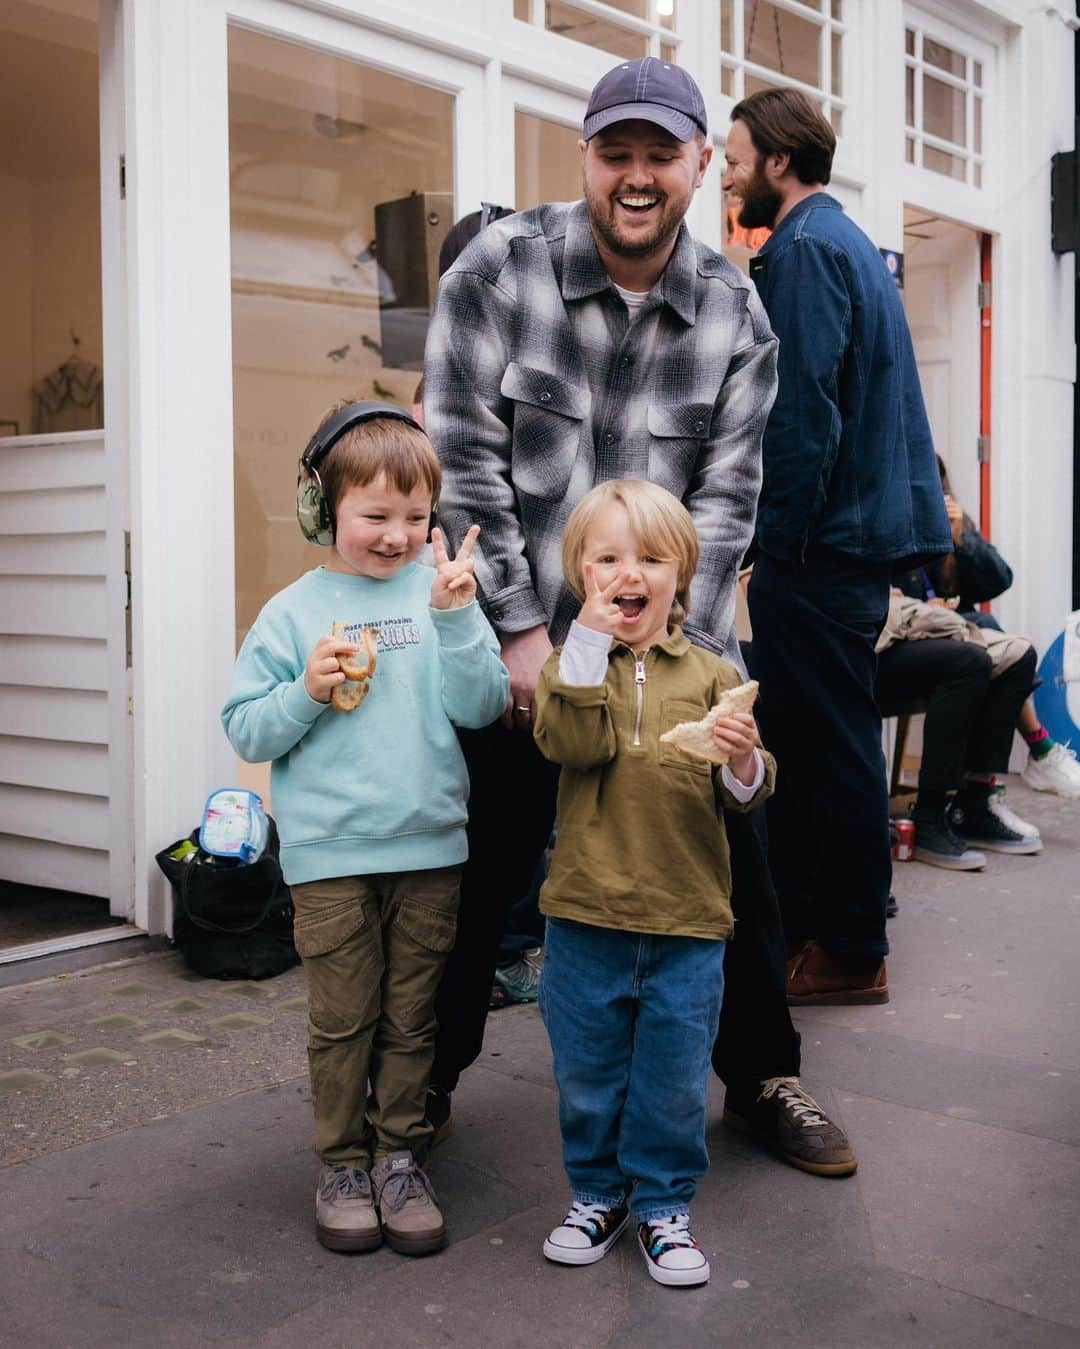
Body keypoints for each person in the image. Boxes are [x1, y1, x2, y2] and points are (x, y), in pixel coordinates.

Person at [424, 57, 857, 1178]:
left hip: (678, 644)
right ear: (584, 155)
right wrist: (524, 636)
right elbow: (462, 464)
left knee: (735, 859)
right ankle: (418, 1089)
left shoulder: (736, 310)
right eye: (615, 152)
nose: (636, 176)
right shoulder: (496, 270)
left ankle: (762, 1073)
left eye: (661, 154)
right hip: (521, 641)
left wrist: (688, 672)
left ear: (701, 164)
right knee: (477, 870)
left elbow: (728, 496)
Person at [221, 400, 508, 1256]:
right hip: (331, 857)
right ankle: (342, 1162)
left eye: (415, 518)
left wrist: (457, 620)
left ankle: (398, 1156)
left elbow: (485, 705)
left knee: (412, 1016)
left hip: (429, 849)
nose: (395, 535)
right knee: (344, 1019)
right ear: (323, 510)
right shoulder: (290, 612)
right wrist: (304, 689)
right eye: (374, 515)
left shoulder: (443, 595)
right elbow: (245, 729)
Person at [722, 89, 951, 1004]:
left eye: (736, 156)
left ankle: (851, 948)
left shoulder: (806, 251)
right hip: (851, 544)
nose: (728, 172)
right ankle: (830, 931)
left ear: (779, 160)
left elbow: (800, 418)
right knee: (830, 744)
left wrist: (764, 543)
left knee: (828, 753)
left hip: (818, 549)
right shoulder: (846, 241)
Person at [534, 480, 775, 1287]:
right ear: (581, 575)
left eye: (648, 557)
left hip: (687, 921)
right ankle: (598, 1194)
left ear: (682, 574)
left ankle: (665, 1203)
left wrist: (741, 756)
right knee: (587, 1073)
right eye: (607, 558)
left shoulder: (710, 673)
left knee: (673, 1079)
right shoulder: (574, 669)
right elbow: (566, 742)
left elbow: (748, 788)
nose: (626, 573)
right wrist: (581, 649)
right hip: (585, 915)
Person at [896, 457, 1080, 804]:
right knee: (983, 637)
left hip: (946, 630)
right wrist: (920, 606)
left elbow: (999, 578)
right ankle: (1032, 750)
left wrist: (961, 538)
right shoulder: (890, 522)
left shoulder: (949, 522)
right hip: (905, 633)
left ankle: (987, 782)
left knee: (988, 631)